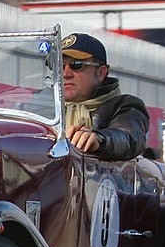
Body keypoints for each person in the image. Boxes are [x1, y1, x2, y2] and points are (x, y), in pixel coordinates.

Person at [61, 33, 149, 161]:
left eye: (77, 65)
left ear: (101, 73)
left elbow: (128, 137)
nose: (65, 74)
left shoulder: (125, 106)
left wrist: (98, 140)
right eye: (60, 66)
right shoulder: (38, 108)